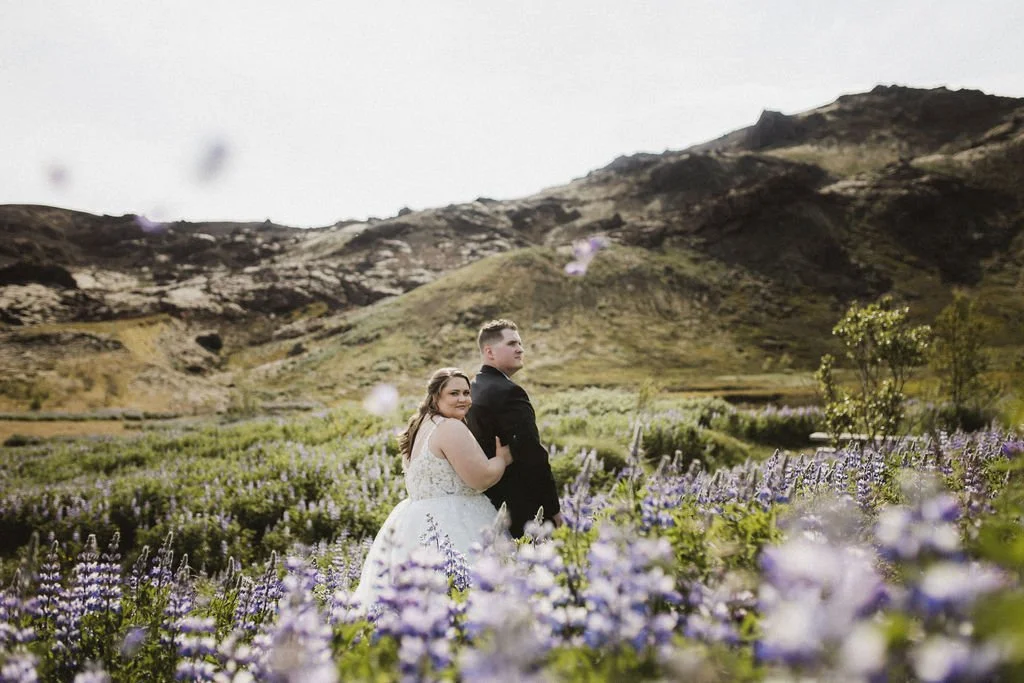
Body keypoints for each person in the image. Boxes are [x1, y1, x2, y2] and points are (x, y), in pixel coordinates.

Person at [353, 367, 512, 608]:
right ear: (436, 396)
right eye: (454, 393)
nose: (463, 399)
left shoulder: (419, 427)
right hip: (454, 522)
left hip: (415, 521)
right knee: (472, 595)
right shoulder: (450, 427)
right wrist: (501, 459)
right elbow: (480, 478)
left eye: (467, 393)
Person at [465, 319, 562, 539]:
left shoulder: (472, 388)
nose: (520, 349)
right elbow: (533, 455)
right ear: (489, 351)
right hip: (521, 509)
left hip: (486, 504)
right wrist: (553, 509)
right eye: (511, 344)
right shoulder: (508, 392)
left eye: (520, 343)